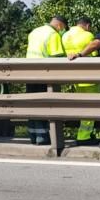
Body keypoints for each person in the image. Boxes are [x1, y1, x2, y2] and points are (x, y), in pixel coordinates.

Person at [25, 16, 67, 145]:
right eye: (64, 29)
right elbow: (57, 57)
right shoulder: (53, 34)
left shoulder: (35, 31)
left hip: (27, 73)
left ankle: (34, 136)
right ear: (60, 26)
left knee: (32, 104)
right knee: (44, 105)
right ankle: (43, 137)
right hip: (43, 73)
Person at [61, 17, 100, 146]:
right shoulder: (88, 35)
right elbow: (94, 55)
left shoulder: (65, 36)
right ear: (88, 26)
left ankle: (85, 134)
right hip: (89, 76)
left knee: (82, 105)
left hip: (74, 77)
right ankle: (84, 136)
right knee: (91, 106)